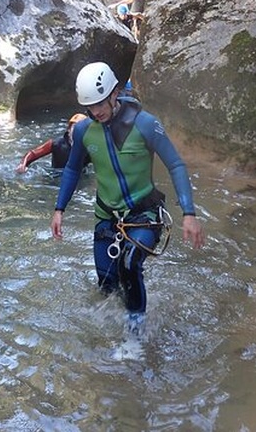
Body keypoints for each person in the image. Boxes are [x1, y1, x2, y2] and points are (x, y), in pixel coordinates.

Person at [50, 62, 205, 335]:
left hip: (144, 214)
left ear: (115, 93)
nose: (96, 111)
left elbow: (176, 165)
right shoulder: (86, 130)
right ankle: (120, 322)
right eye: (90, 106)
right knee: (107, 284)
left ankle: (136, 333)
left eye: (101, 102)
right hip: (107, 216)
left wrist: (189, 213)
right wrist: (59, 208)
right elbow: (73, 168)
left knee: (129, 263)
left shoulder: (145, 124)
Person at [16, 113, 90, 174]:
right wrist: (23, 164)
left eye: (81, 129)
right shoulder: (56, 144)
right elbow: (33, 153)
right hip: (55, 175)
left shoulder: (89, 147)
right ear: (69, 130)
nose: (76, 131)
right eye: (74, 127)